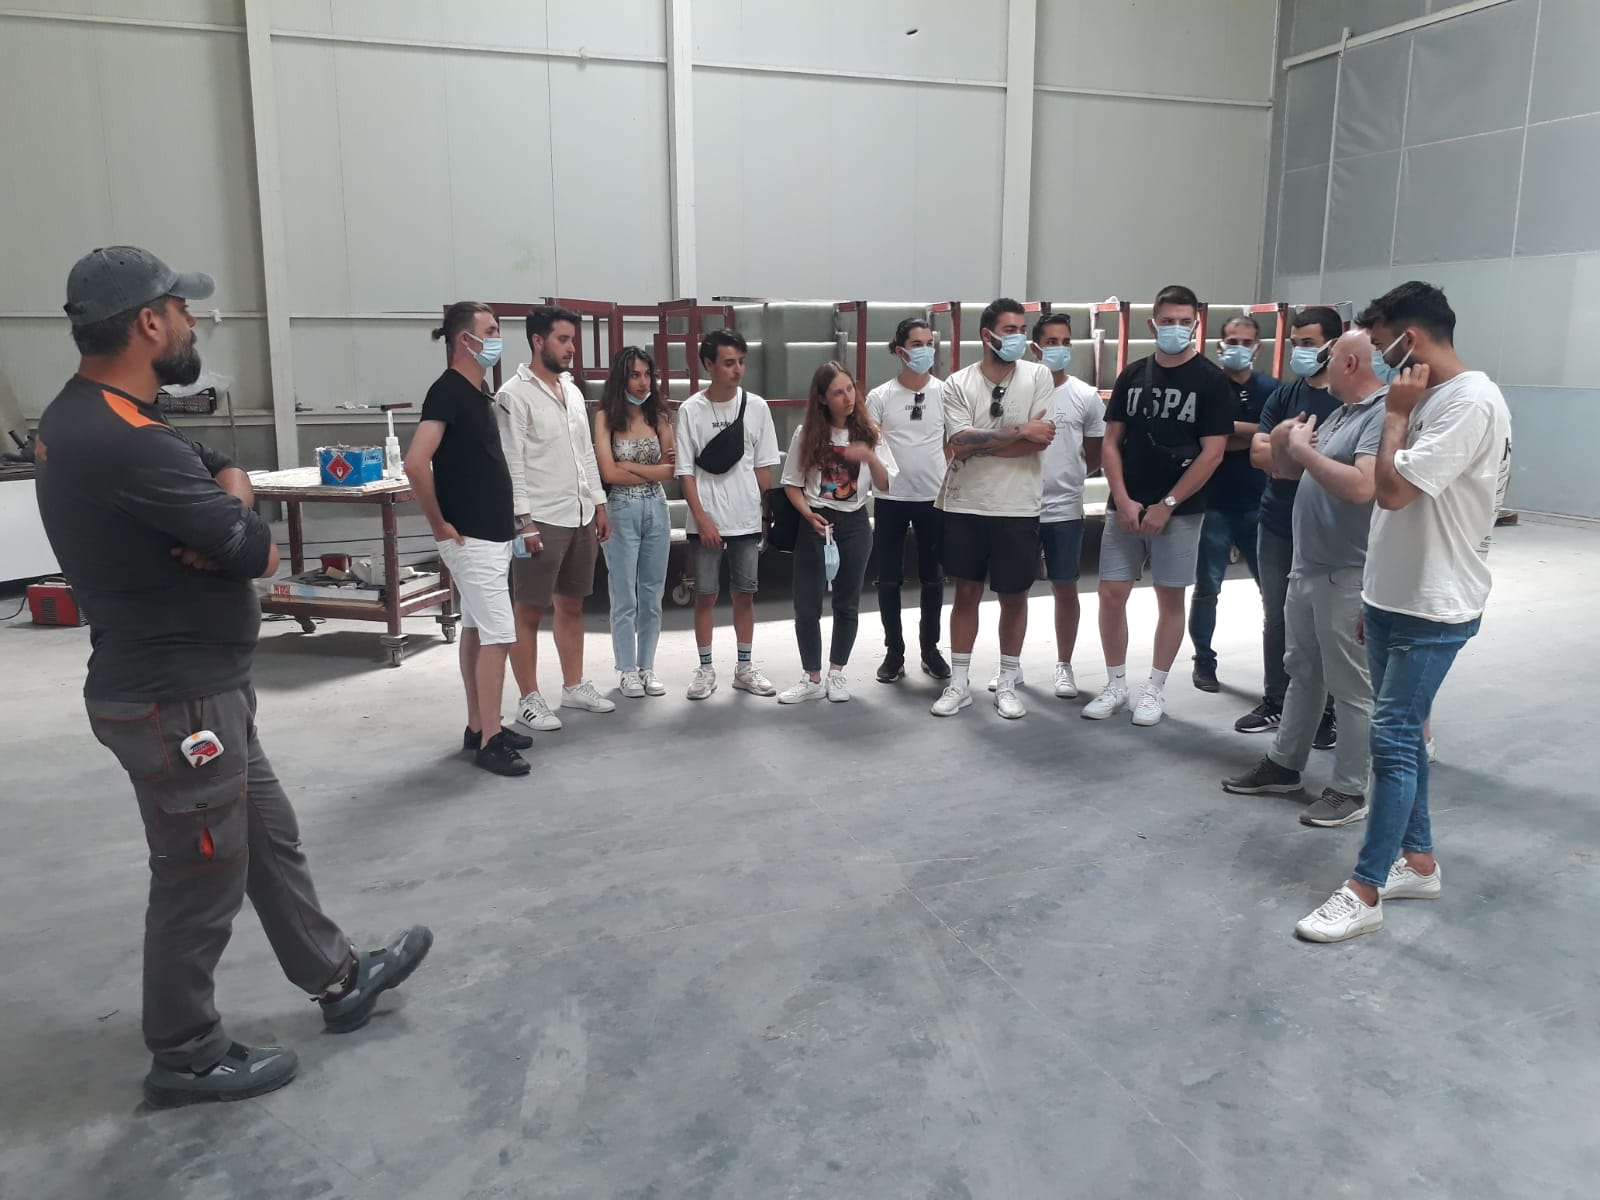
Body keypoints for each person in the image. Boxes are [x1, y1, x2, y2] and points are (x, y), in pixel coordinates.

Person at [36, 246, 432, 1107]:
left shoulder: (95, 416)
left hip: (197, 688)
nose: (194, 324)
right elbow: (256, 550)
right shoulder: (125, 444)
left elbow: (218, 468)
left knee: (266, 839)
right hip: (175, 702)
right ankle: (185, 1052)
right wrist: (232, 518)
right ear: (149, 322)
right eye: (183, 310)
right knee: (200, 872)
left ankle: (338, 978)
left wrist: (230, 493)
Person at [1297, 282, 1512, 943]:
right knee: (1407, 736)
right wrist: (1374, 594)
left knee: (1390, 740)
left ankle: (1364, 890)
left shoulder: (1469, 402)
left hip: (1434, 603)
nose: (1378, 356)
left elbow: (1389, 492)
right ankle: (1418, 861)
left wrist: (1395, 415)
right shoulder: (1432, 396)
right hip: (1393, 595)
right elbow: (1398, 517)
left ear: (1408, 340)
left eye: (1382, 342)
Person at [1222, 329, 1387, 827]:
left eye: (1329, 356)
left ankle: (1350, 790)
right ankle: (1285, 764)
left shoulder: (1380, 417)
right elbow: (1290, 472)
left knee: (1350, 686)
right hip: (1309, 564)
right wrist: (1286, 442)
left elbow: (1361, 487)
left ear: (1350, 363)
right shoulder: (1340, 414)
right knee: (1303, 672)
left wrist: (1304, 451)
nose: (1320, 363)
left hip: (1347, 571)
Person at [1084, 284, 1231, 727]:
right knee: (1111, 593)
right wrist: (1122, 498)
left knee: (1170, 597)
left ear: (1196, 324)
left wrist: (1168, 503)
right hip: (1126, 505)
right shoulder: (1132, 375)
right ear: (1153, 324)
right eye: (1167, 321)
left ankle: (1155, 688)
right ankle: (1115, 684)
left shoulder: (1210, 380)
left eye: (1184, 321)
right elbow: (1111, 443)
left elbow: (1213, 453)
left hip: (1180, 510)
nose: (1175, 328)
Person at [407, 302, 534, 776]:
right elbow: (416, 463)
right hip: (470, 538)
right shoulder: (447, 392)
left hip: (490, 535)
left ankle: (479, 725)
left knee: (478, 630)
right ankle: (491, 742)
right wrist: (439, 523)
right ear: (466, 339)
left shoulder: (476, 393)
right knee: (500, 634)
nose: (498, 338)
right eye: (491, 330)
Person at [930, 297, 1057, 720]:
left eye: (1021, 329)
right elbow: (958, 442)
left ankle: (1006, 680)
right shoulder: (957, 383)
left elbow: (1040, 441)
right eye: (1009, 330)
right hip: (966, 503)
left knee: (1013, 596)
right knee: (965, 592)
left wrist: (982, 443)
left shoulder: (1038, 376)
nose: (1018, 337)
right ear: (987, 335)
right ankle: (959, 683)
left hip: (1017, 506)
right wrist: (1018, 430)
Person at [496, 305, 615, 731]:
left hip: (579, 513)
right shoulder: (513, 395)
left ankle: (573, 686)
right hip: (541, 518)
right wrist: (523, 521)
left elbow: (585, 453)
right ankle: (528, 699)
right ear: (538, 341)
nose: (571, 348)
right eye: (563, 340)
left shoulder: (573, 391)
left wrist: (598, 504)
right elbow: (512, 463)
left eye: (572, 341)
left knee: (572, 604)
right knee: (529, 610)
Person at [1235, 306, 1344, 739]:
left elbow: (1344, 466)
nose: (1300, 352)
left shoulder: (1349, 401)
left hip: (1327, 528)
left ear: (1333, 345)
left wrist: (1289, 452)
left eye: (1308, 344)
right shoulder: (1284, 396)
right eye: (1295, 344)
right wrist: (1303, 454)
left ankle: (1327, 711)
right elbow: (1259, 455)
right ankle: (1276, 701)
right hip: (1277, 521)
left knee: (1324, 622)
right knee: (1276, 614)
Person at [995, 310, 1103, 699]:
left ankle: (1064, 665)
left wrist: (1068, 477)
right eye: (1052, 342)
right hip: (1019, 506)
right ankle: (1010, 666)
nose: (1060, 349)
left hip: (1065, 510)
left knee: (1066, 587)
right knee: (1014, 592)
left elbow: (1094, 454)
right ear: (1036, 348)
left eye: (1066, 342)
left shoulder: (1086, 396)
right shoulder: (1015, 390)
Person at [777, 362, 897, 703]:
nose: (847, 397)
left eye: (850, 389)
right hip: (817, 520)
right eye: (838, 392)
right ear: (822, 399)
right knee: (807, 603)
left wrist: (870, 457)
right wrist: (808, 514)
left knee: (847, 602)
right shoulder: (807, 434)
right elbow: (791, 484)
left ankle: (836, 672)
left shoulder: (871, 433)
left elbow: (886, 483)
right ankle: (811, 676)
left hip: (855, 523)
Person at [674, 328, 781, 699]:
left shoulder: (757, 407)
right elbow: (685, 472)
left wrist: (764, 517)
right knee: (704, 595)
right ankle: (705, 669)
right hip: (705, 521)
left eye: (741, 362)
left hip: (746, 520)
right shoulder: (690, 410)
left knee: (745, 594)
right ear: (709, 365)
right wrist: (702, 518)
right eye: (728, 363)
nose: (737, 370)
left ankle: (744, 667)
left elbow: (764, 469)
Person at [1189, 314, 1275, 693]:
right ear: (1219, 345)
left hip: (1259, 504)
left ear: (1257, 348)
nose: (1238, 348)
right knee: (1207, 589)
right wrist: (1251, 433)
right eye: (1232, 341)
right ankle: (1203, 661)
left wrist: (1225, 431)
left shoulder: (1272, 389)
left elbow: (1275, 438)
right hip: (1212, 504)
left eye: (1246, 342)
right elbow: (1201, 437)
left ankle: (1278, 672)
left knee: (1271, 592)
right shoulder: (1206, 386)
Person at [865, 318, 951, 683]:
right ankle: (894, 652)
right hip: (891, 497)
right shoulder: (880, 397)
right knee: (889, 579)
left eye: (929, 343)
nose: (925, 350)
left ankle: (930, 649)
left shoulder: (945, 392)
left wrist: (939, 469)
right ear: (900, 351)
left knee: (933, 577)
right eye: (917, 344)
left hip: (934, 497)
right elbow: (871, 445)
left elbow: (953, 440)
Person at [594, 346, 675, 698]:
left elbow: (670, 471)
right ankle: (626, 669)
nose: (642, 382)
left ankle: (647, 667)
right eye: (634, 375)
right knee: (624, 594)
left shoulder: (660, 415)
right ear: (621, 378)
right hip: (621, 508)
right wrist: (645, 470)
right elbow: (608, 472)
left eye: (647, 375)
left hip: (656, 505)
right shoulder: (604, 417)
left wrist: (628, 466)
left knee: (652, 593)